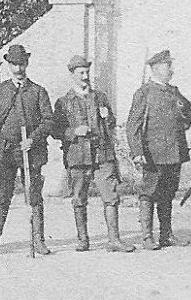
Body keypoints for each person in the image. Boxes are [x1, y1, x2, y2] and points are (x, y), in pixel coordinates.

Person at [0, 45, 54, 256]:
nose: (18, 68)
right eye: (14, 64)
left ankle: (38, 240)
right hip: (5, 151)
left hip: (31, 150)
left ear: (27, 64)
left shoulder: (38, 91)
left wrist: (33, 139)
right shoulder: (0, 90)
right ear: (8, 65)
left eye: (21, 64)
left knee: (34, 195)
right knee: (2, 195)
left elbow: (48, 120)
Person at [52, 55, 133, 252]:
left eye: (87, 72)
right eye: (81, 73)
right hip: (78, 156)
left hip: (102, 155)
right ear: (72, 75)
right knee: (79, 198)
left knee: (111, 196)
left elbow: (111, 124)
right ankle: (83, 239)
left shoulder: (100, 97)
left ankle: (114, 240)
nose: (85, 76)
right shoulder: (63, 102)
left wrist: (108, 118)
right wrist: (72, 132)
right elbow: (55, 130)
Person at [126, 49, 191, 250]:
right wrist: (137, 151)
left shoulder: (174, 91)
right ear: (156, 68)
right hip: (152, 155)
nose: (172, 69)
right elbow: (133, 125)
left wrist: (184, 119)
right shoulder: (144, 92)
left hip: (174, 152)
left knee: (168, 193)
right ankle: (147, 237)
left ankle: (166, 235)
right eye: (168, 66)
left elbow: (188, 112)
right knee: (149, 193)